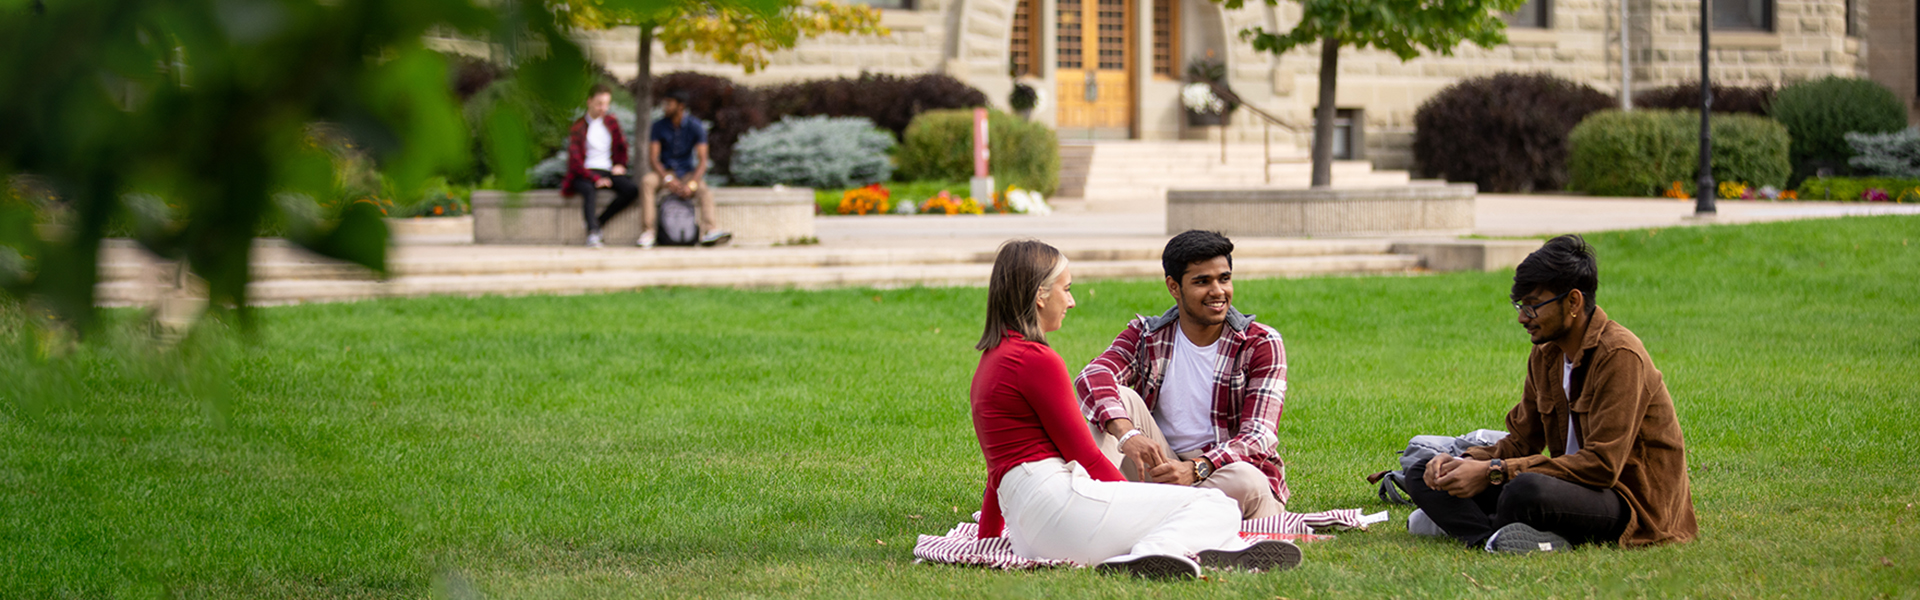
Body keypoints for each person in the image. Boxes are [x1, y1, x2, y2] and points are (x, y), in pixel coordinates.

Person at [969, 239, 1300, 580]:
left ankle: (1212, 546)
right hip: (1063, 514)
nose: (1072, 300)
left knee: (1225, 494)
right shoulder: (1040, 359)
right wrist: (1127, 467)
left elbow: (997, 472)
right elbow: (1085, 452)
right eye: (1066, 289)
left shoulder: (992, 359)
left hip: (1032, 531)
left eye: (1224, 279)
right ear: (1174, 286)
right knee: (1217, 508)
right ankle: (1161, 550)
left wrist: (988, 539)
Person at [1402, 234, 1698, 553]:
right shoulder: (1547, 354)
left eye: (1533, 306)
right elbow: (1520, 441)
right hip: (1567, 485)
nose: (1521, 318)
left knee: (1525, 490)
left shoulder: (1620, 355)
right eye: (1520, 305)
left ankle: (1495, 526)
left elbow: (1602, 466)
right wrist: (1462, 462)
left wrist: (1494, 472)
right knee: (1422, 470)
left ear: (1573, 302)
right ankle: (1490, 539)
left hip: (1628, 503)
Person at [1074, 230, 1289, 520]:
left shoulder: (1259, 342)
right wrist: (1128, 435)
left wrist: (1196, 468)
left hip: (1219, 476)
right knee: (1113, 403)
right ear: (1174, 287)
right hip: (1160, 471)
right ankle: (1092, 514)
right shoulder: (1146, 335)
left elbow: (1257, 435)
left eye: (1224, 279)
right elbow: (1093, 375)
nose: (1218, 291)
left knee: (1248, 480)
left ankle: (1138, 517)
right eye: (1202, 282)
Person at [640, 89, 730, 248]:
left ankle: (710, 230)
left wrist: (692, 184)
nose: (665, 106)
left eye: (669, 103)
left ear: (680, 106)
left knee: (704, 191)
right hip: (665, 172)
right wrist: (667, 179)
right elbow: (653, 158)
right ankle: (648, 232)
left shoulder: (695, 126)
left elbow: (703, 160)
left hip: (687, 173)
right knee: (647, 182)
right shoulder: (658, 126)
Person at [560, 84, 640, 249]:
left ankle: (599, 222)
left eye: (606, 104)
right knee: (589, 191)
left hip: (607, 170)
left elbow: (622, 147)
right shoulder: (579, 126)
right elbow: (575, 162)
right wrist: (595, 178)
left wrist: (620, 164)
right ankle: (593, 233)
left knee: (632, 190)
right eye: (599, 104)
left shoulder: (611, 123)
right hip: (584, 173)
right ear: (589, 102)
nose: (603, 108)